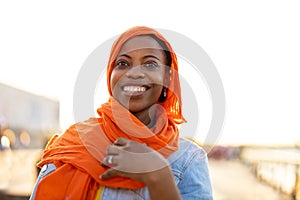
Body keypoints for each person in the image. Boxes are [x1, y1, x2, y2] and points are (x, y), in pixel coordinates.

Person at [30, 26, 213, 200]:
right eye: (123, 63)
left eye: (150, 64)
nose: (134, 73)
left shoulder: (189, 158)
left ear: (167, 78)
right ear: (111, 74)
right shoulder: (71, 144)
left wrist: (159, 175)